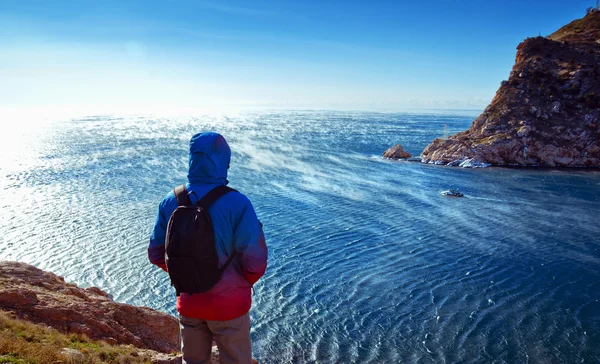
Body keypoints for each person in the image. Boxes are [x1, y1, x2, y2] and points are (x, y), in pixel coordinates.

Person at [148, 131, 268, 364]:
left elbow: (155, 253)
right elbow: (255, 262)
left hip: (189, 302)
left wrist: (188, 275)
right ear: (224, 162)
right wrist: (239, 283)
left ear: (193, 159)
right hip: (230, 306)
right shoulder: (238, 203)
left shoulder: (170, 200)